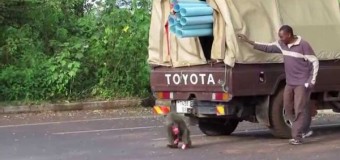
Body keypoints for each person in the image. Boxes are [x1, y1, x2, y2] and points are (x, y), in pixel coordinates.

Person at [237, 25, 319, 145]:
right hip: (290, 83)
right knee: (288, 107)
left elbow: (314, 61)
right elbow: (267, 47)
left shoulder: (303, 45)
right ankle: (300, 129)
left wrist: (312, 80)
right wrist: (248, 41)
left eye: (282, 36)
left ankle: (297, 136)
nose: (280, 38)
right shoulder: (282, 44)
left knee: (299, 108)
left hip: (301, 83)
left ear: (289, 35)